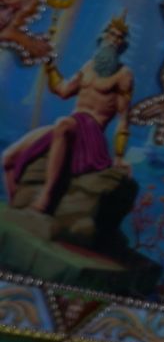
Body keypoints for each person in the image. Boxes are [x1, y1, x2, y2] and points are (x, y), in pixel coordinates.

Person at [2, 15, 133, 213]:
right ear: (103, 36)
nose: (114, 39)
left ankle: (46, 195)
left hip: (92, 133)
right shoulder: (88, 67)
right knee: (8, 158)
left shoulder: (124, 75)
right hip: (71, 124)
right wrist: (50, 65)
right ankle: (15, 204)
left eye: (119, 37)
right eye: (111, 34)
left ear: (123, 44)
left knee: (62, 124)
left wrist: (120, 155)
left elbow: (124, 118)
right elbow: (63, 90)